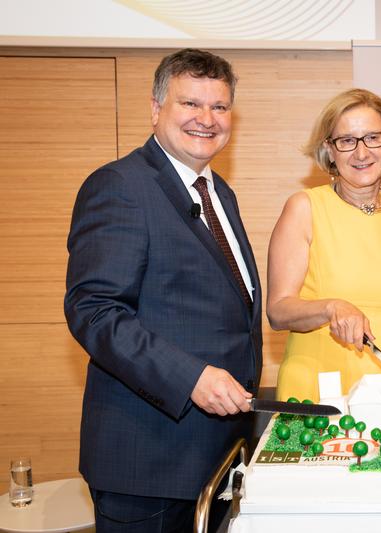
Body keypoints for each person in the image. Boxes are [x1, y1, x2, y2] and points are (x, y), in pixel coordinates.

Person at [64, 48, 262, 531]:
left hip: (213, 458)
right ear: (156, 110)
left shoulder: (219, 193)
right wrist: (191, 377)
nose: (206, 119)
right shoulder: (120, 186)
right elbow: (94, 310)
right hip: (148, 463)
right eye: (190, 104)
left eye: (219, 107)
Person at [268, 88, 381, 402]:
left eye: (372, 138)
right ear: (330, 149)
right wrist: (331, 307)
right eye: (347, 141)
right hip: (317, 393)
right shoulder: (304, 208)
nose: (362, 152)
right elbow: (278, 309)